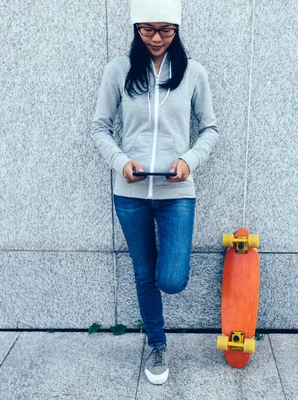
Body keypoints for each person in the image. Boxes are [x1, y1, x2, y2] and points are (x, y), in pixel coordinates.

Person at [90, 0, 219, 385]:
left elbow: (210, 129)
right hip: (129, 193)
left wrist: (189, 160)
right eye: (148, 29)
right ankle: (158, 344)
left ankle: (161, 314)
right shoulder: (119, 70)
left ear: (177, 29)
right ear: (136, 29)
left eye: (166, 30)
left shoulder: (194, 73)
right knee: (144, 273)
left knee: (172, 279)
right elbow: (99, 127)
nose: (157, 38)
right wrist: (120, 162)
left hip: (176, 192)